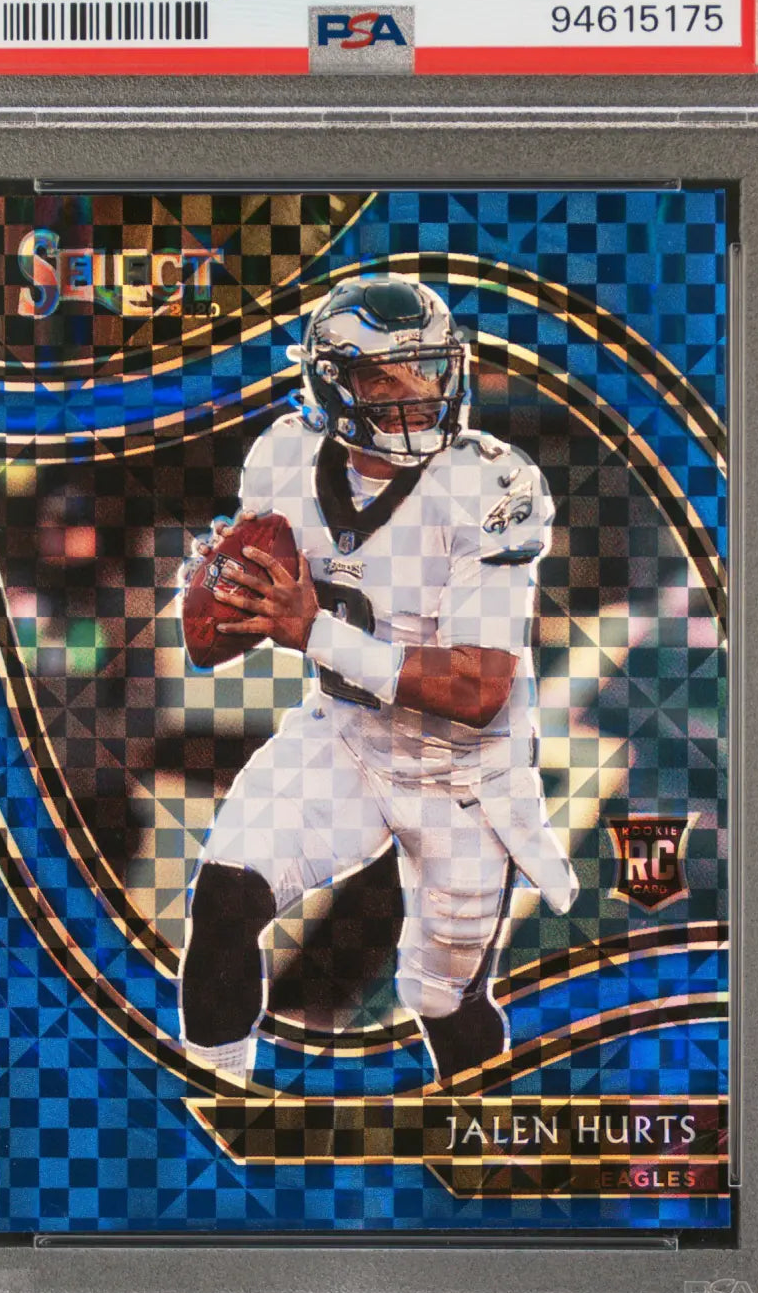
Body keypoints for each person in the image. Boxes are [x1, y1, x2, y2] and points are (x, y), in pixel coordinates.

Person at [178, 275, 578, 1086]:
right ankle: (211, 1110)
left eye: (426, 371)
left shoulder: (487, 484)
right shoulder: (283, 455)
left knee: (440, 999)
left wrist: (312, 631)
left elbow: (477, 691)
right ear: (332, 385)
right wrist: (227, 596)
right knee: (222, 901)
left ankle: (481, 1134)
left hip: (462, 775)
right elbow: (214, 648)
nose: (414, 395)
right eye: (382, 379)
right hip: (346, 740)